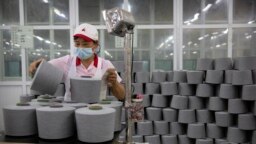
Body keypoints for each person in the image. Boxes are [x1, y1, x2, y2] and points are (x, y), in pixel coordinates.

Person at [29, 23, 125, 101]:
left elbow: (122, 96)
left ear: (96, 45)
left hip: (96, 113)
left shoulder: (105, 65)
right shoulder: (66, 62)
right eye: (77, 44)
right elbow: (41, 70)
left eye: (85, 44)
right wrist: (36, 66)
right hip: (71, 113)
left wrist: (114, 84)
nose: (80, 47)